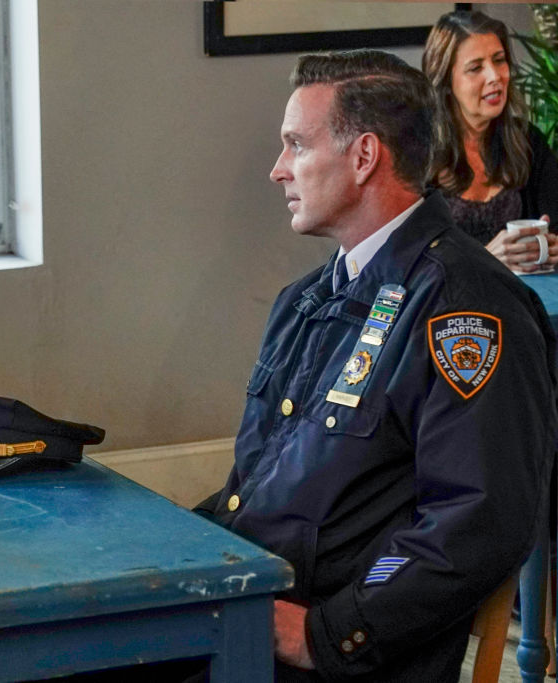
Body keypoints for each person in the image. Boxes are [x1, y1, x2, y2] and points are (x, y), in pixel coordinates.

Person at [194, 50, 556, 681]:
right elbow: (254, 491)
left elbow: (479, 519)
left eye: (296, 145)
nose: (278, 169)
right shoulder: (306, 302)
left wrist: (329, 634)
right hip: (243, 613)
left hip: (332, 657)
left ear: (364, 157)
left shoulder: (466, 307)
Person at [423, 9, 558, 273]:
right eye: (476, 68)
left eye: (499, 60)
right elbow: (407, 263)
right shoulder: (417, 153)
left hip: (528, 295)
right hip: (452, 296)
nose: (495, 76)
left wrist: (553, 247)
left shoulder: (528, 140)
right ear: (446, 80)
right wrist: (484, 258)